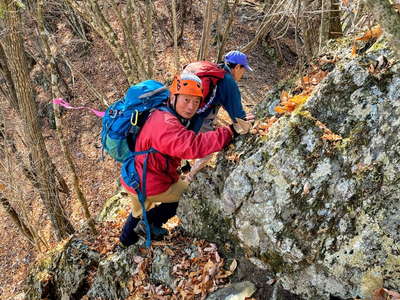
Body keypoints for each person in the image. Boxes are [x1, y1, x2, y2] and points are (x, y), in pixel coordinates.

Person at [119, 74, 250, 247]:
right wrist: (230, 132)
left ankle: (124, 242)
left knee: (137, 210)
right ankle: (148, 226)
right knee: (188, 194)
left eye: (196, 102)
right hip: (149, 181)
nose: (191, 107)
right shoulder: (166, 123)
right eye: (186, 100)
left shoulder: (160, 111)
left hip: (134, 175)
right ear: (173, 97)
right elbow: (192, 146)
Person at [183, 50, 255, 180]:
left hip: (184, 113)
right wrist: (247, 121)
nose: (242, 74)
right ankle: (190, 176)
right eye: (243, 70)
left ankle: (182, 165)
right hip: (199, 119)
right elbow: (238, 119)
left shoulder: (214, 70)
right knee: (208, 152)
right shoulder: (228, 82)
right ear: (237, 67)